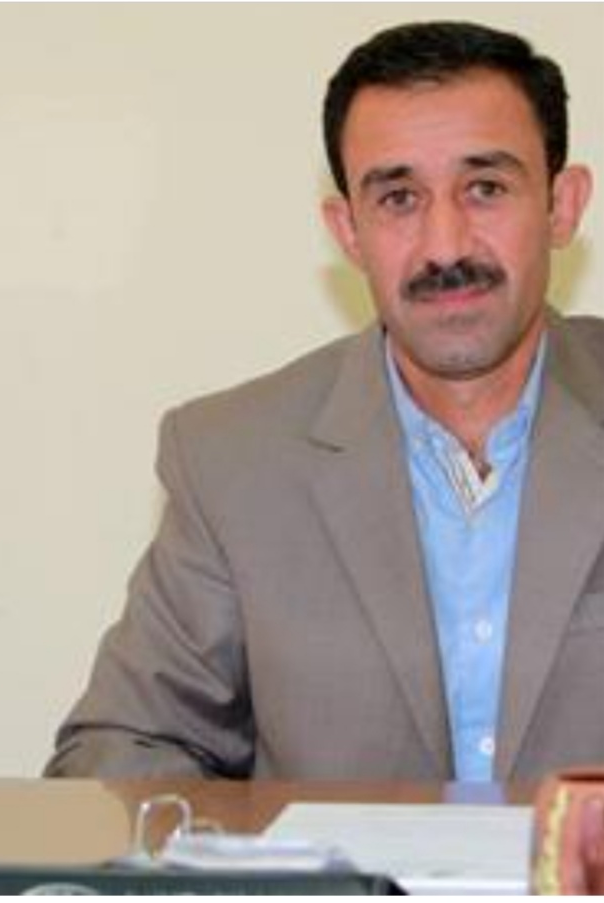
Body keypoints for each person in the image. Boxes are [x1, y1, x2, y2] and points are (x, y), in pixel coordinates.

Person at [45, 20, 603, 782]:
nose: (444, 245)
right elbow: (120, 750)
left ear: (561, 206)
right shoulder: (232, 460)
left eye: (484, 188)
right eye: (398, 198)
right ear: (348, 230)